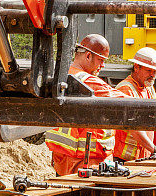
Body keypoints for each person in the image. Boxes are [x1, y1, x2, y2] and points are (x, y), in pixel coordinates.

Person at [45, 34, 124, 175]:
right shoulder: (88, 82)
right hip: (85, 161)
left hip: (63, 158)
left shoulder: (60, 76)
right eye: (101, 60)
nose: (103, 65)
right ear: (88, 56)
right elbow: (128, 103)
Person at [113, 47, 156, 161]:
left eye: (155, 71)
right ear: (137, 67)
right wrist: (155, 150)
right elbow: (134, 128)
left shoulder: (148, 88)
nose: (152, 75)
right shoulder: (125, 89)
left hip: (143, 156)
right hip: (125, 159)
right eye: (149, 71)